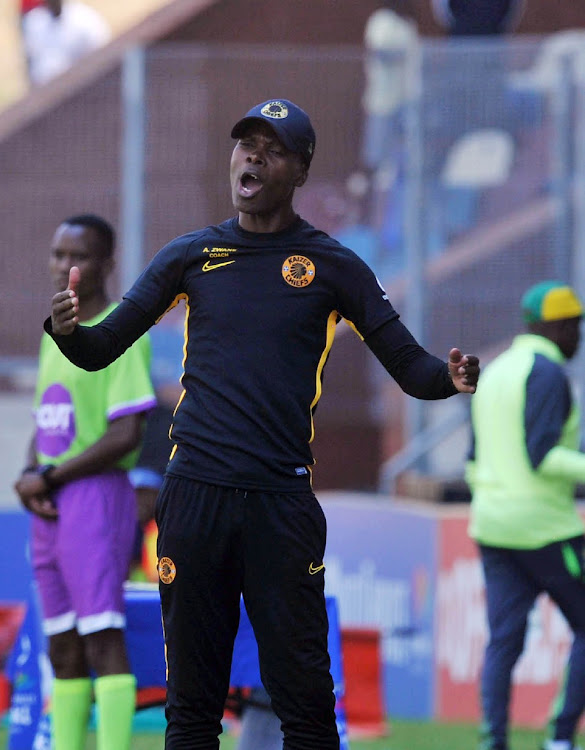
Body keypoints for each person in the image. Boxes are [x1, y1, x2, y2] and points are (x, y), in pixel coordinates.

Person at [45, 98, 479, 749]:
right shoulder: (191, 255)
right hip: (193, 497)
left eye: (271, 148)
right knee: (191, 707)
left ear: (299, 170)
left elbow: (410, 367)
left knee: (304, 704)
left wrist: (449, 378)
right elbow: (100, 346)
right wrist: (66, 331)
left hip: (280, 504)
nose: (251, 156)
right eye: (245, 144)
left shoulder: (333, 266)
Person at [14, 214, 156, 750]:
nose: (64, 266)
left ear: (107, 265)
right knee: (63, 648)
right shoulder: (56, 331)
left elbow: (127, 434)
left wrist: (49, 476)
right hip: (51, 503)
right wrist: (31, 475)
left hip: (96, 499)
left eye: (78, 255)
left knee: (102, 638)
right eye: (57, 254)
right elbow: (45, 421)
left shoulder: (120, 331)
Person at [466, 280, 585, 750]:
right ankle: (559, 738)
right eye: (575, 326)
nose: (579, 336)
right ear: (554, 327)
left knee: (503, 641)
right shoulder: (548, 372)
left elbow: (473, 461)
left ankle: (493, 740)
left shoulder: (497, 369)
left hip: (492, 527)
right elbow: (543, 456)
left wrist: (496, 499)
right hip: (544, 528)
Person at [21, 0, 110, 86]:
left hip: (81, 88)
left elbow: (101, 62)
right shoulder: (34, 23)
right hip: (47, 93)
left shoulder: (85, 21)